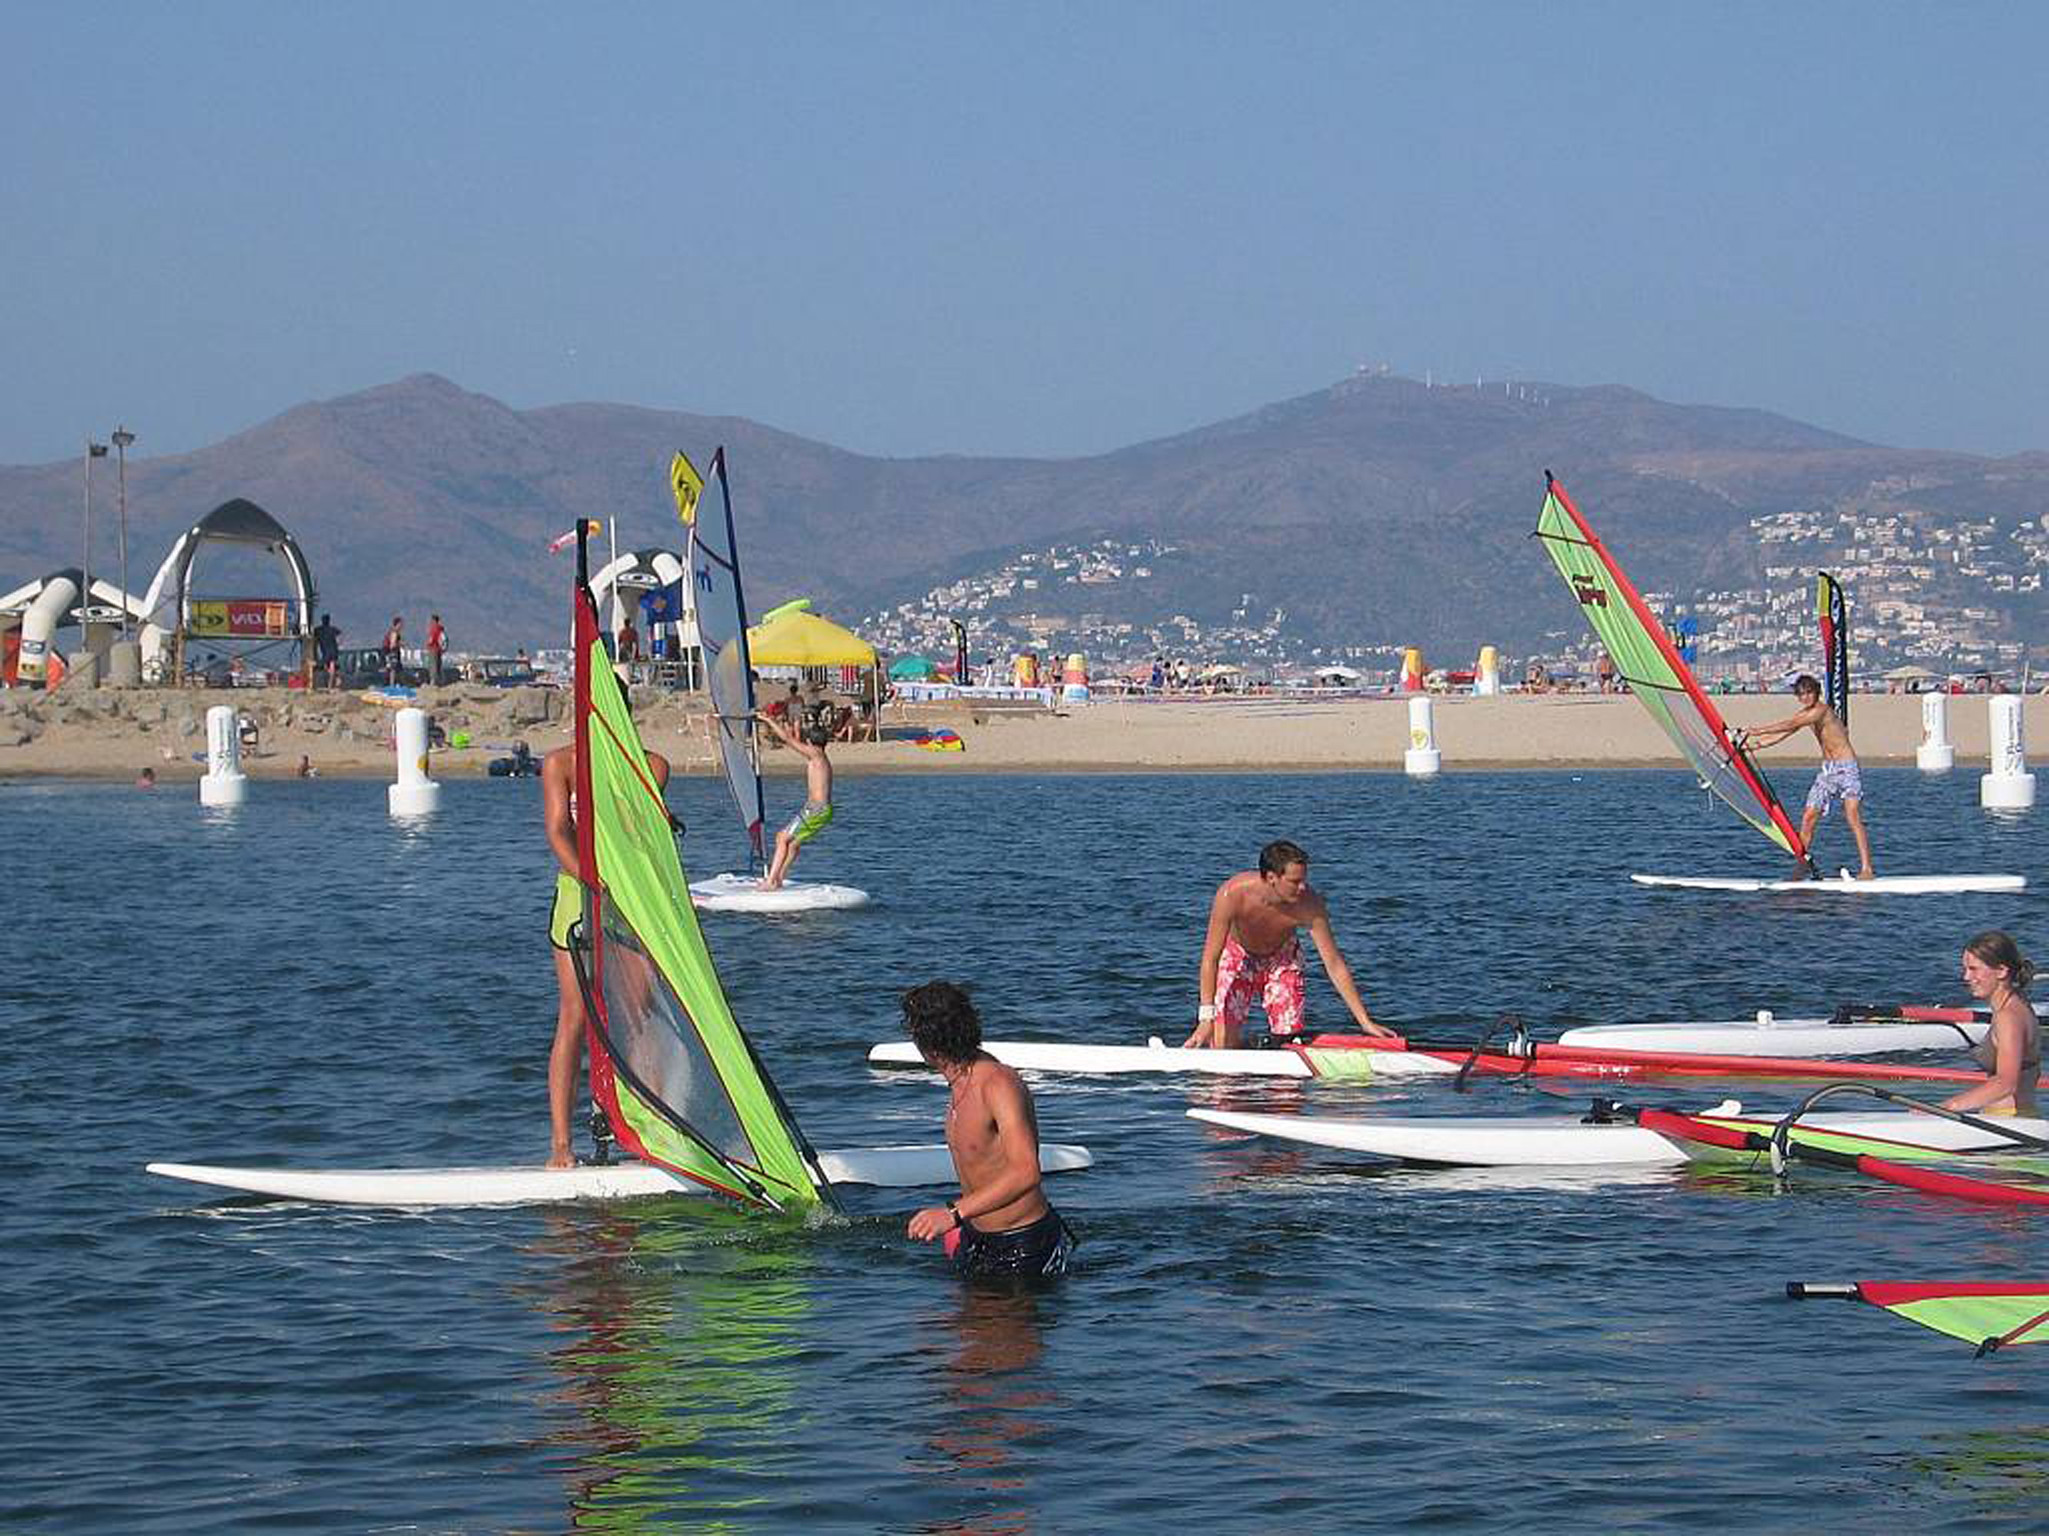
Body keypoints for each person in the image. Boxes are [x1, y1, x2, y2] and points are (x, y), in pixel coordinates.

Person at [541, 727, 672, 1168]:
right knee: (575, 1016)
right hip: (577, 895)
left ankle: (652, 1133)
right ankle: (562, 1144)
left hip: (631, 900)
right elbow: (558, 831)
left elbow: (633, 832)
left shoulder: (652, 766)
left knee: (640, 1015)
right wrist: (592, 883)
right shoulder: (559, 764)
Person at [903, 981, 1075, 1281]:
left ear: (926, 1045)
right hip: (975, 1236)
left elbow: (1026, 1172)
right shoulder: (960, 1081)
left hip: (1024, 1244)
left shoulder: (997, 1083)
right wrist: (961, 1222)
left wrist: (952, 1214)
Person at [1184, 839, 1394, 1048]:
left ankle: (1273, 1050)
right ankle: (1245, 1046)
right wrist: (1206, 1019)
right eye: (1295, 881)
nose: (1302, 887)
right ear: (1271, 877)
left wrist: (1364, 1021)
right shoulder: (1231, 894)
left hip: (1281, 958)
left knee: (1287, 1037)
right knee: (1221, 1042)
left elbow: (1334, 963)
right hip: (1238, 955)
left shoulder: (1309, 904)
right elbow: (1210, 959)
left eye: (1304, 880)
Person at [1736, 673, 1874, 879]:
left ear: (1816, 693)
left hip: (1847, 768)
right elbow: (1782, 734)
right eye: (1801, 694)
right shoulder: (1805, 715)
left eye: (1809, 692)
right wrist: (1752, 746)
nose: (1806, 697)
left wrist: (1754, 730)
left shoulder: (1821, 711)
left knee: (1852, 815)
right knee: (1808, 817)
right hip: (1828, 771)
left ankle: (1867, 869)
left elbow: (1788, 724)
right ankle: (1800, 870)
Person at [1943, 932, 2040, 1117]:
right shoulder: (2018, 1004)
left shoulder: (2008, 1017)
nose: (1966, 977)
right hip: (2012, 1116)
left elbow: (2006, 1083)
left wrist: (1948, 1106)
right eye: (1965, 969)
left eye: (1974, 969)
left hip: (2009, 1119)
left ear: (2001, 971)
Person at [757, 701, 834, 889]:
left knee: (781, 838)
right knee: (792, 844)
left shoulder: (815, 754)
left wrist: (768, 720)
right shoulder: (821, 757)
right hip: (821, 810)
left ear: (810, 742)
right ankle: (779, 879)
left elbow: (787, 739)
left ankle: (771, 881)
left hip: (816, 810)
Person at [312, 613, 341, 689]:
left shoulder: (318, 630)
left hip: (327, 652)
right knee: (331, 667)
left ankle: (330, 685)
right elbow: (339, 635)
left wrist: (315, 649)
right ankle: (331, 684)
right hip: (333, 651)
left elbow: (313, 638)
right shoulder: (333, 629)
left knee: (329, 667)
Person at [426, 613, 447, 686]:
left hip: (433, 648)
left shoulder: (434, 629)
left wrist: (428, 644)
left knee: (433, 665)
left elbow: (431, 640)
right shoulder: (441, 629)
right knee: (438, 665)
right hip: (439, 649)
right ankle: (439, 681)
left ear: (434, 620)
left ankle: (433, 682)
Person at [381, 617, 404, 685]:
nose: (402, 626)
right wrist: (400, 644)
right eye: (400, 624)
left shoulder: (393, 632)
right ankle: (392, 683)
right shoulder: (394, 632)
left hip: (389, 651)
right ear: (397, 624)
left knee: (393, 668)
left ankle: (392, 683)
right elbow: (392, 644)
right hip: (391, 652)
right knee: (393, 668)